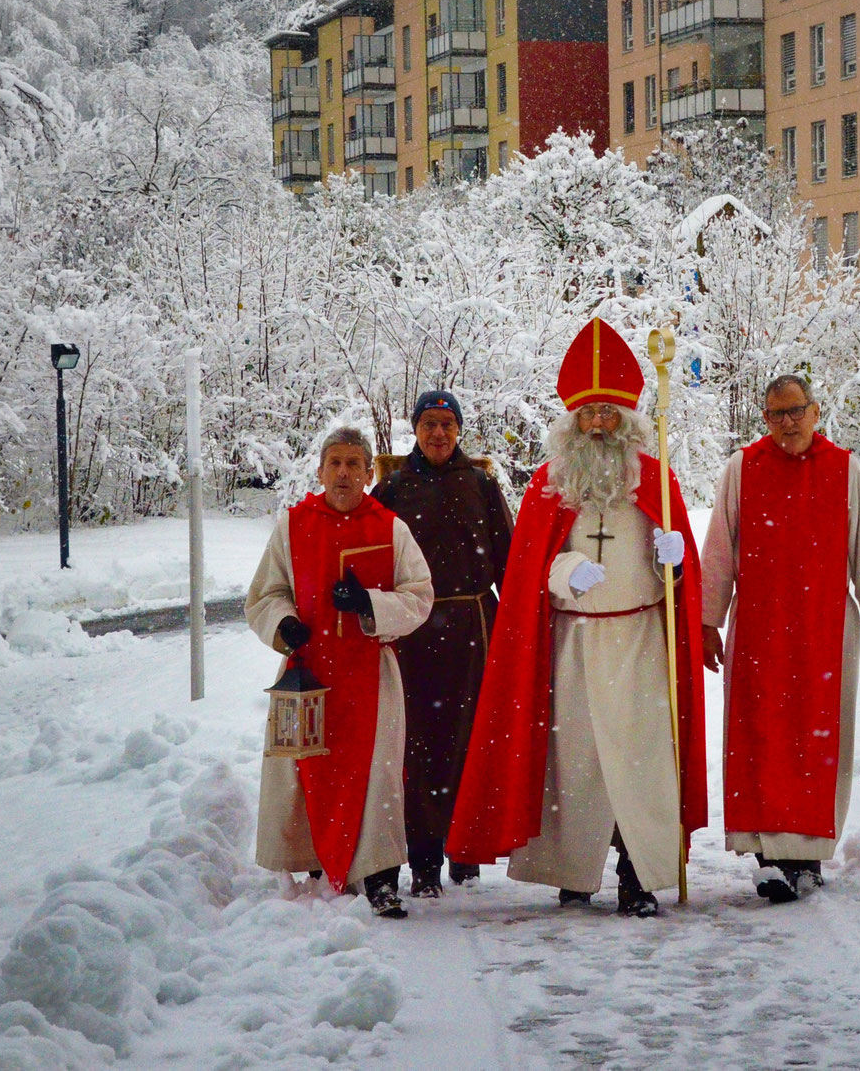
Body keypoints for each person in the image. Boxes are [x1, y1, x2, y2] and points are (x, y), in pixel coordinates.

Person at [447, 318, 705, 917]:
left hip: (639, 638)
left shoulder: (656, 479)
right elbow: (529, 569)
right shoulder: (549, 484)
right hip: (575, 641)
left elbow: (678, 576)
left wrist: (674, 560)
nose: (597, 424)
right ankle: (574, 869)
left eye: (607, 413)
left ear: (627, 420)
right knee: (578, 761)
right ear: (571, 421)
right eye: (587, 413)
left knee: (640, 760)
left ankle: (639, 872)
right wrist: (564, 574)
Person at [700, 373, 860, 903]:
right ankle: (769, 856)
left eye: (796, 412)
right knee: (763, 740)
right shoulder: (743, 469)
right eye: (776, 415)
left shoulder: (843, 469)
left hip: (823, 632)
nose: (787, 423)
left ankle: (807, 859)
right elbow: (720, 548)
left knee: (815, 745)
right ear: (765, 419)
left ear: (816, 412)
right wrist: (707, 621)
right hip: (760, 634)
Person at [246, 426, 435, 918]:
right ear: (320, 470)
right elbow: (266, 593)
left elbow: (419, 596)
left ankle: (379, 878)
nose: (345, 473)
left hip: (370, 674)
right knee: (306, 770)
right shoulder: (293, 525)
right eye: (336, 463)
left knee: (377, 778)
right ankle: (312, 862)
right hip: (308, 676)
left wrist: (370, 604)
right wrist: (284, 624)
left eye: (355, 464)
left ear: (370, 473)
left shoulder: (390, 528)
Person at [370, 390, 514, 898]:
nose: (437, 433)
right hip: (413, 634)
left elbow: (508, 561)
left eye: (446, 425)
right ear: (415, 429)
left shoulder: (480, 485)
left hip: (472, 630)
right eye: (429, 424)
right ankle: (424, 856)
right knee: (418, 745)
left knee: (470, 742)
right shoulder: (393, 490)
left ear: (458, 431)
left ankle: (465, 848)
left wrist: (516, 630)